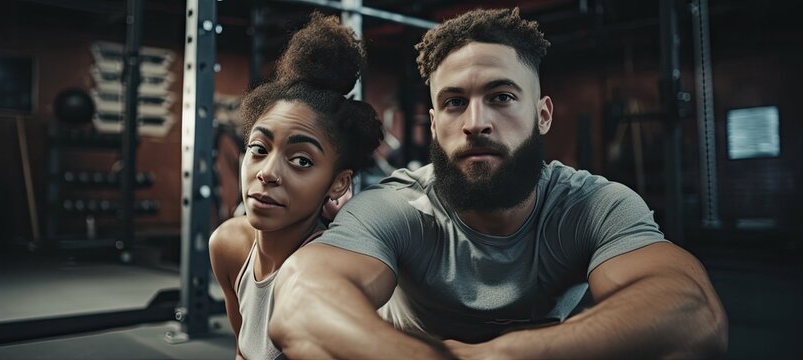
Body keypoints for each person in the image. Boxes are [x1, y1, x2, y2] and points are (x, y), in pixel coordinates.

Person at [269, 7, 728, 359]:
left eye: (501, 97)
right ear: (433, 124)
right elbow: (300, 301)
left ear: (542, 114)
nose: (475, 123)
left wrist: (505, 354)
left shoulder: (591, 205)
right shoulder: (400, 205)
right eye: (453, 103)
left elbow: (693, 311)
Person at [208, 13, 383, 360]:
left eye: (301, 160)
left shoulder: (329, 276)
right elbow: (243, 350)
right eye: (259, 149)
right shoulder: (228, 245)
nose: (267, 173)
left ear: (338, 184)